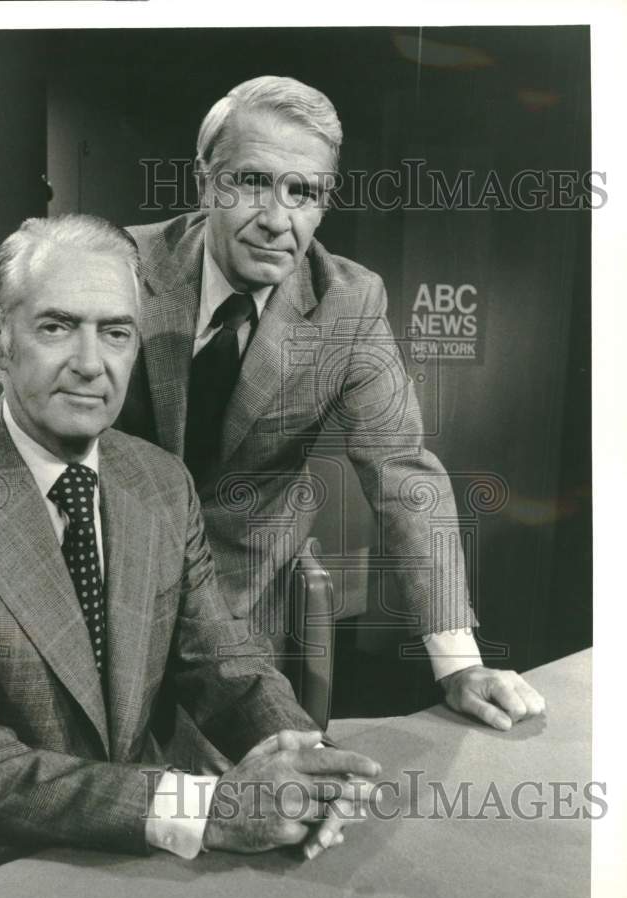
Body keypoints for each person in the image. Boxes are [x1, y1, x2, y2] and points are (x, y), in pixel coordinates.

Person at [0, 215, 380, 898]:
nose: (91, 363)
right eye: (57, 327)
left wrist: (303, 763)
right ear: (1, 341)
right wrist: (208, 809)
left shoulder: (159, 480)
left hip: (136, 853)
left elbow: (220, 661)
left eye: (116, 332)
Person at [122, 75, 545, 731]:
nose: (276, 218)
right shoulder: (119, 266)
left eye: (303, 193)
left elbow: (401, 472)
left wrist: (459, 663)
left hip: (243, 610)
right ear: (205, 181)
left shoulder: (349, 303)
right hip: (107, 593)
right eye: (252, 182)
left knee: (268, 802)